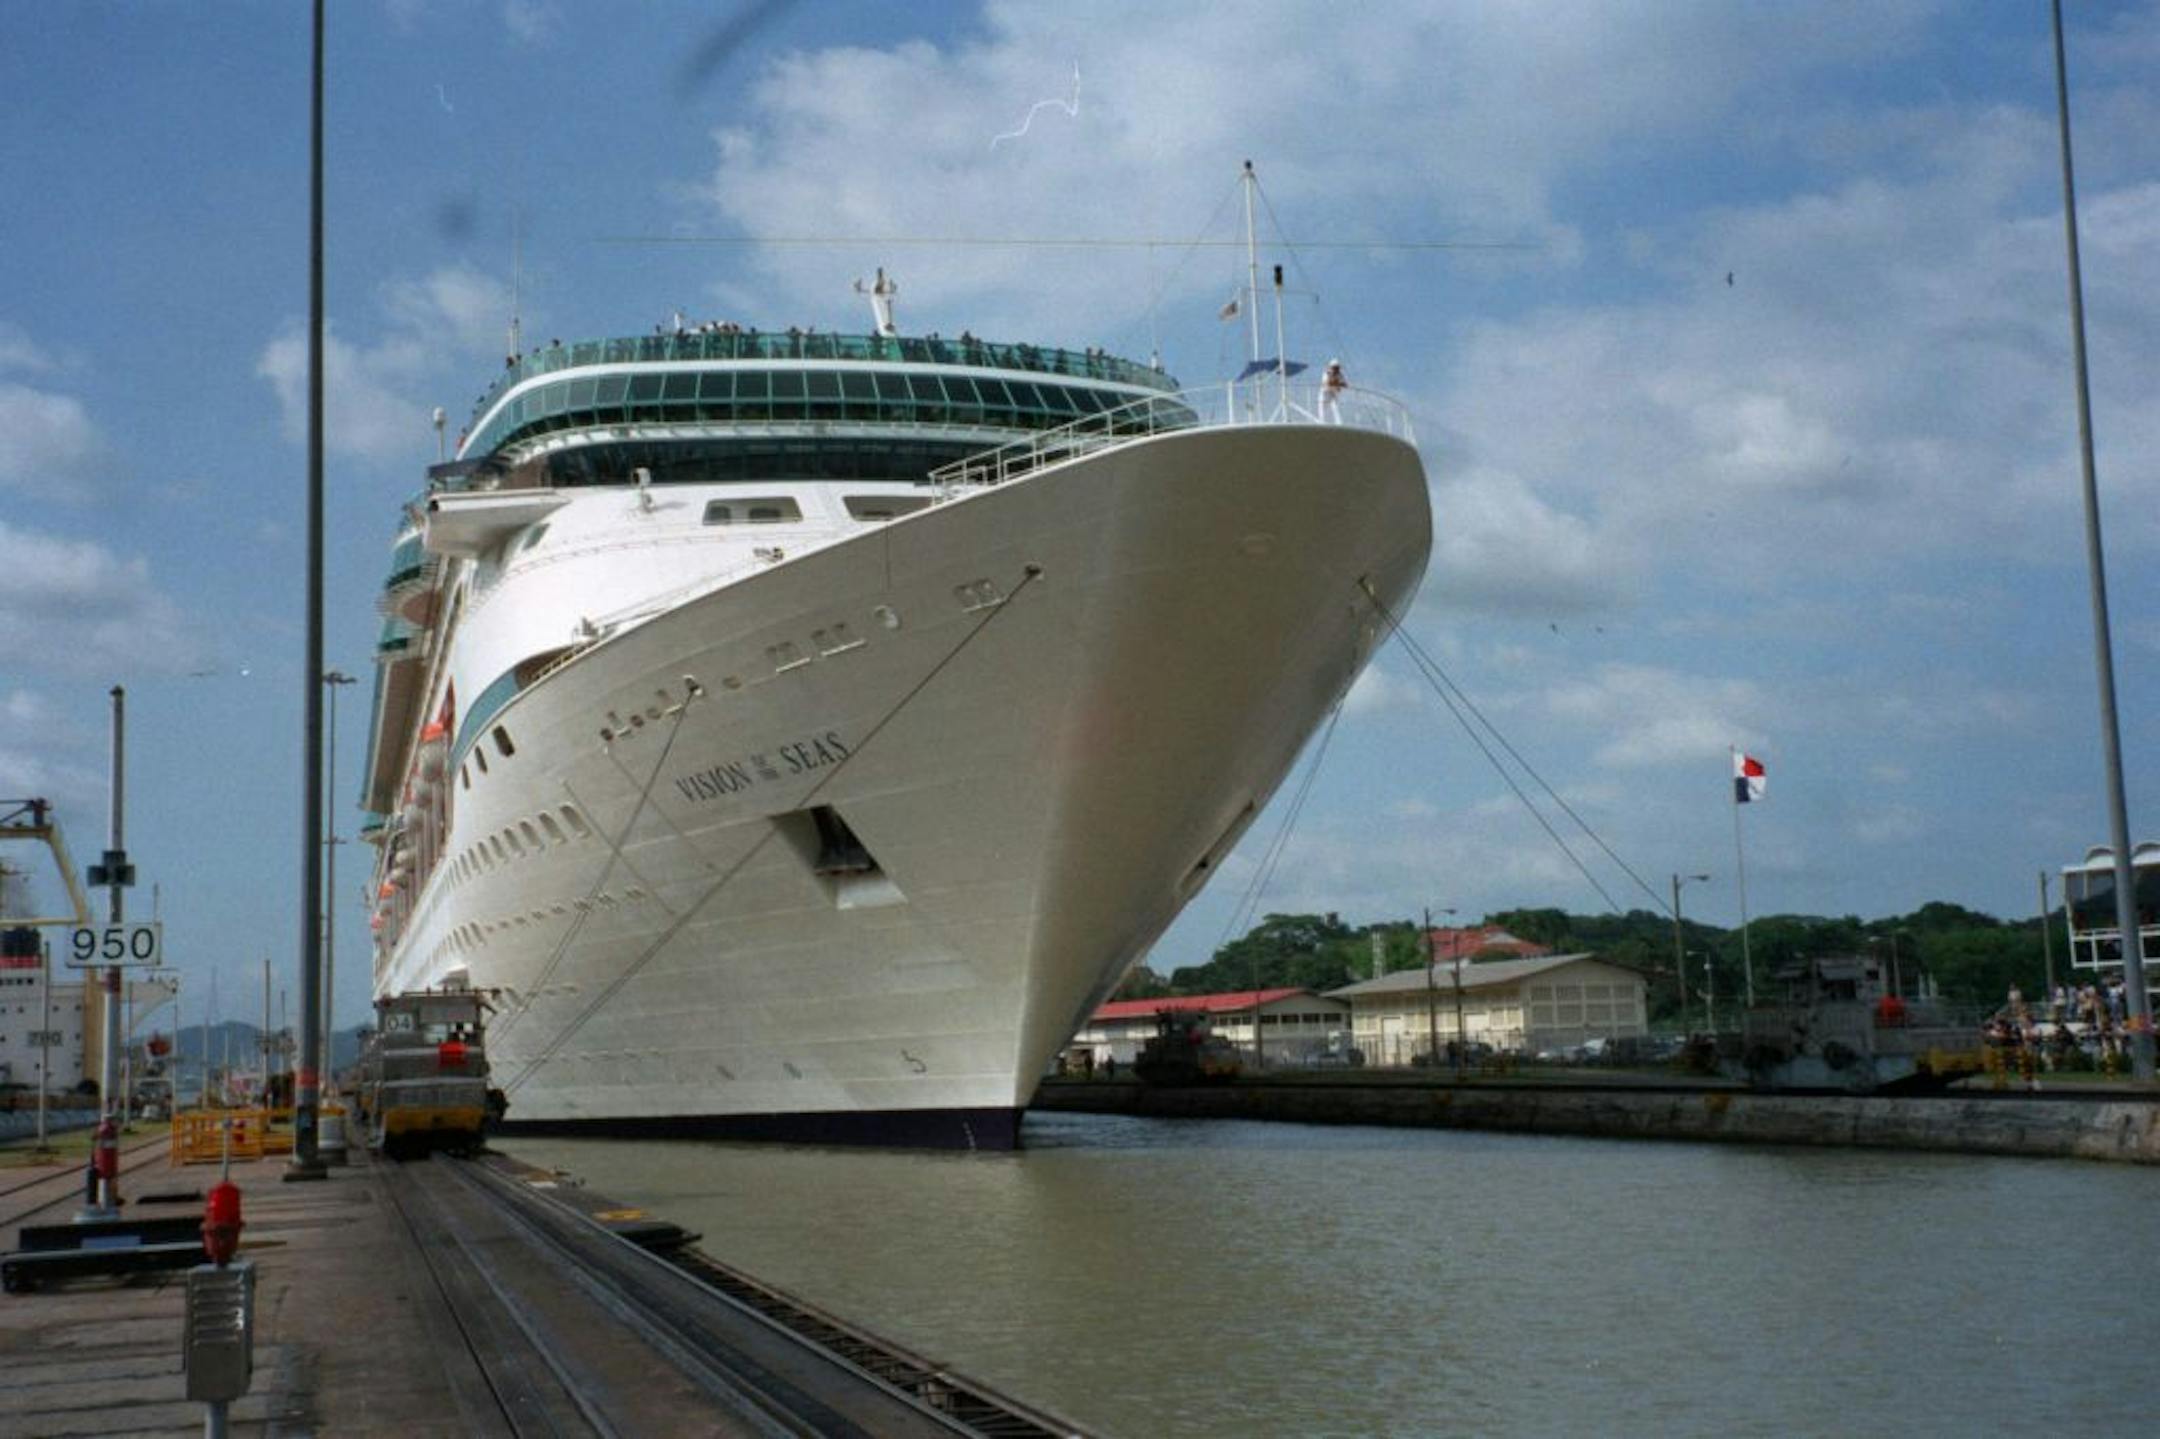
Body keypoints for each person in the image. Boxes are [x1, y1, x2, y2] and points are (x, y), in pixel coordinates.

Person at [1319, 358, 1347, 423]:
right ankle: (1322, 423)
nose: (1336, 369)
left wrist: (1337, 384)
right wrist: (1338, 384)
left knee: (1335, 407)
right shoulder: (1326, 373)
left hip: (1333, 393)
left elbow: (1345, 384)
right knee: (1322, 409)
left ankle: (1339, 423)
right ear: (1331, 367)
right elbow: (1328, 383)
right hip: (1325, 393)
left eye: (1337, 367)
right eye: (1335, 367)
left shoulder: (1340, 374)